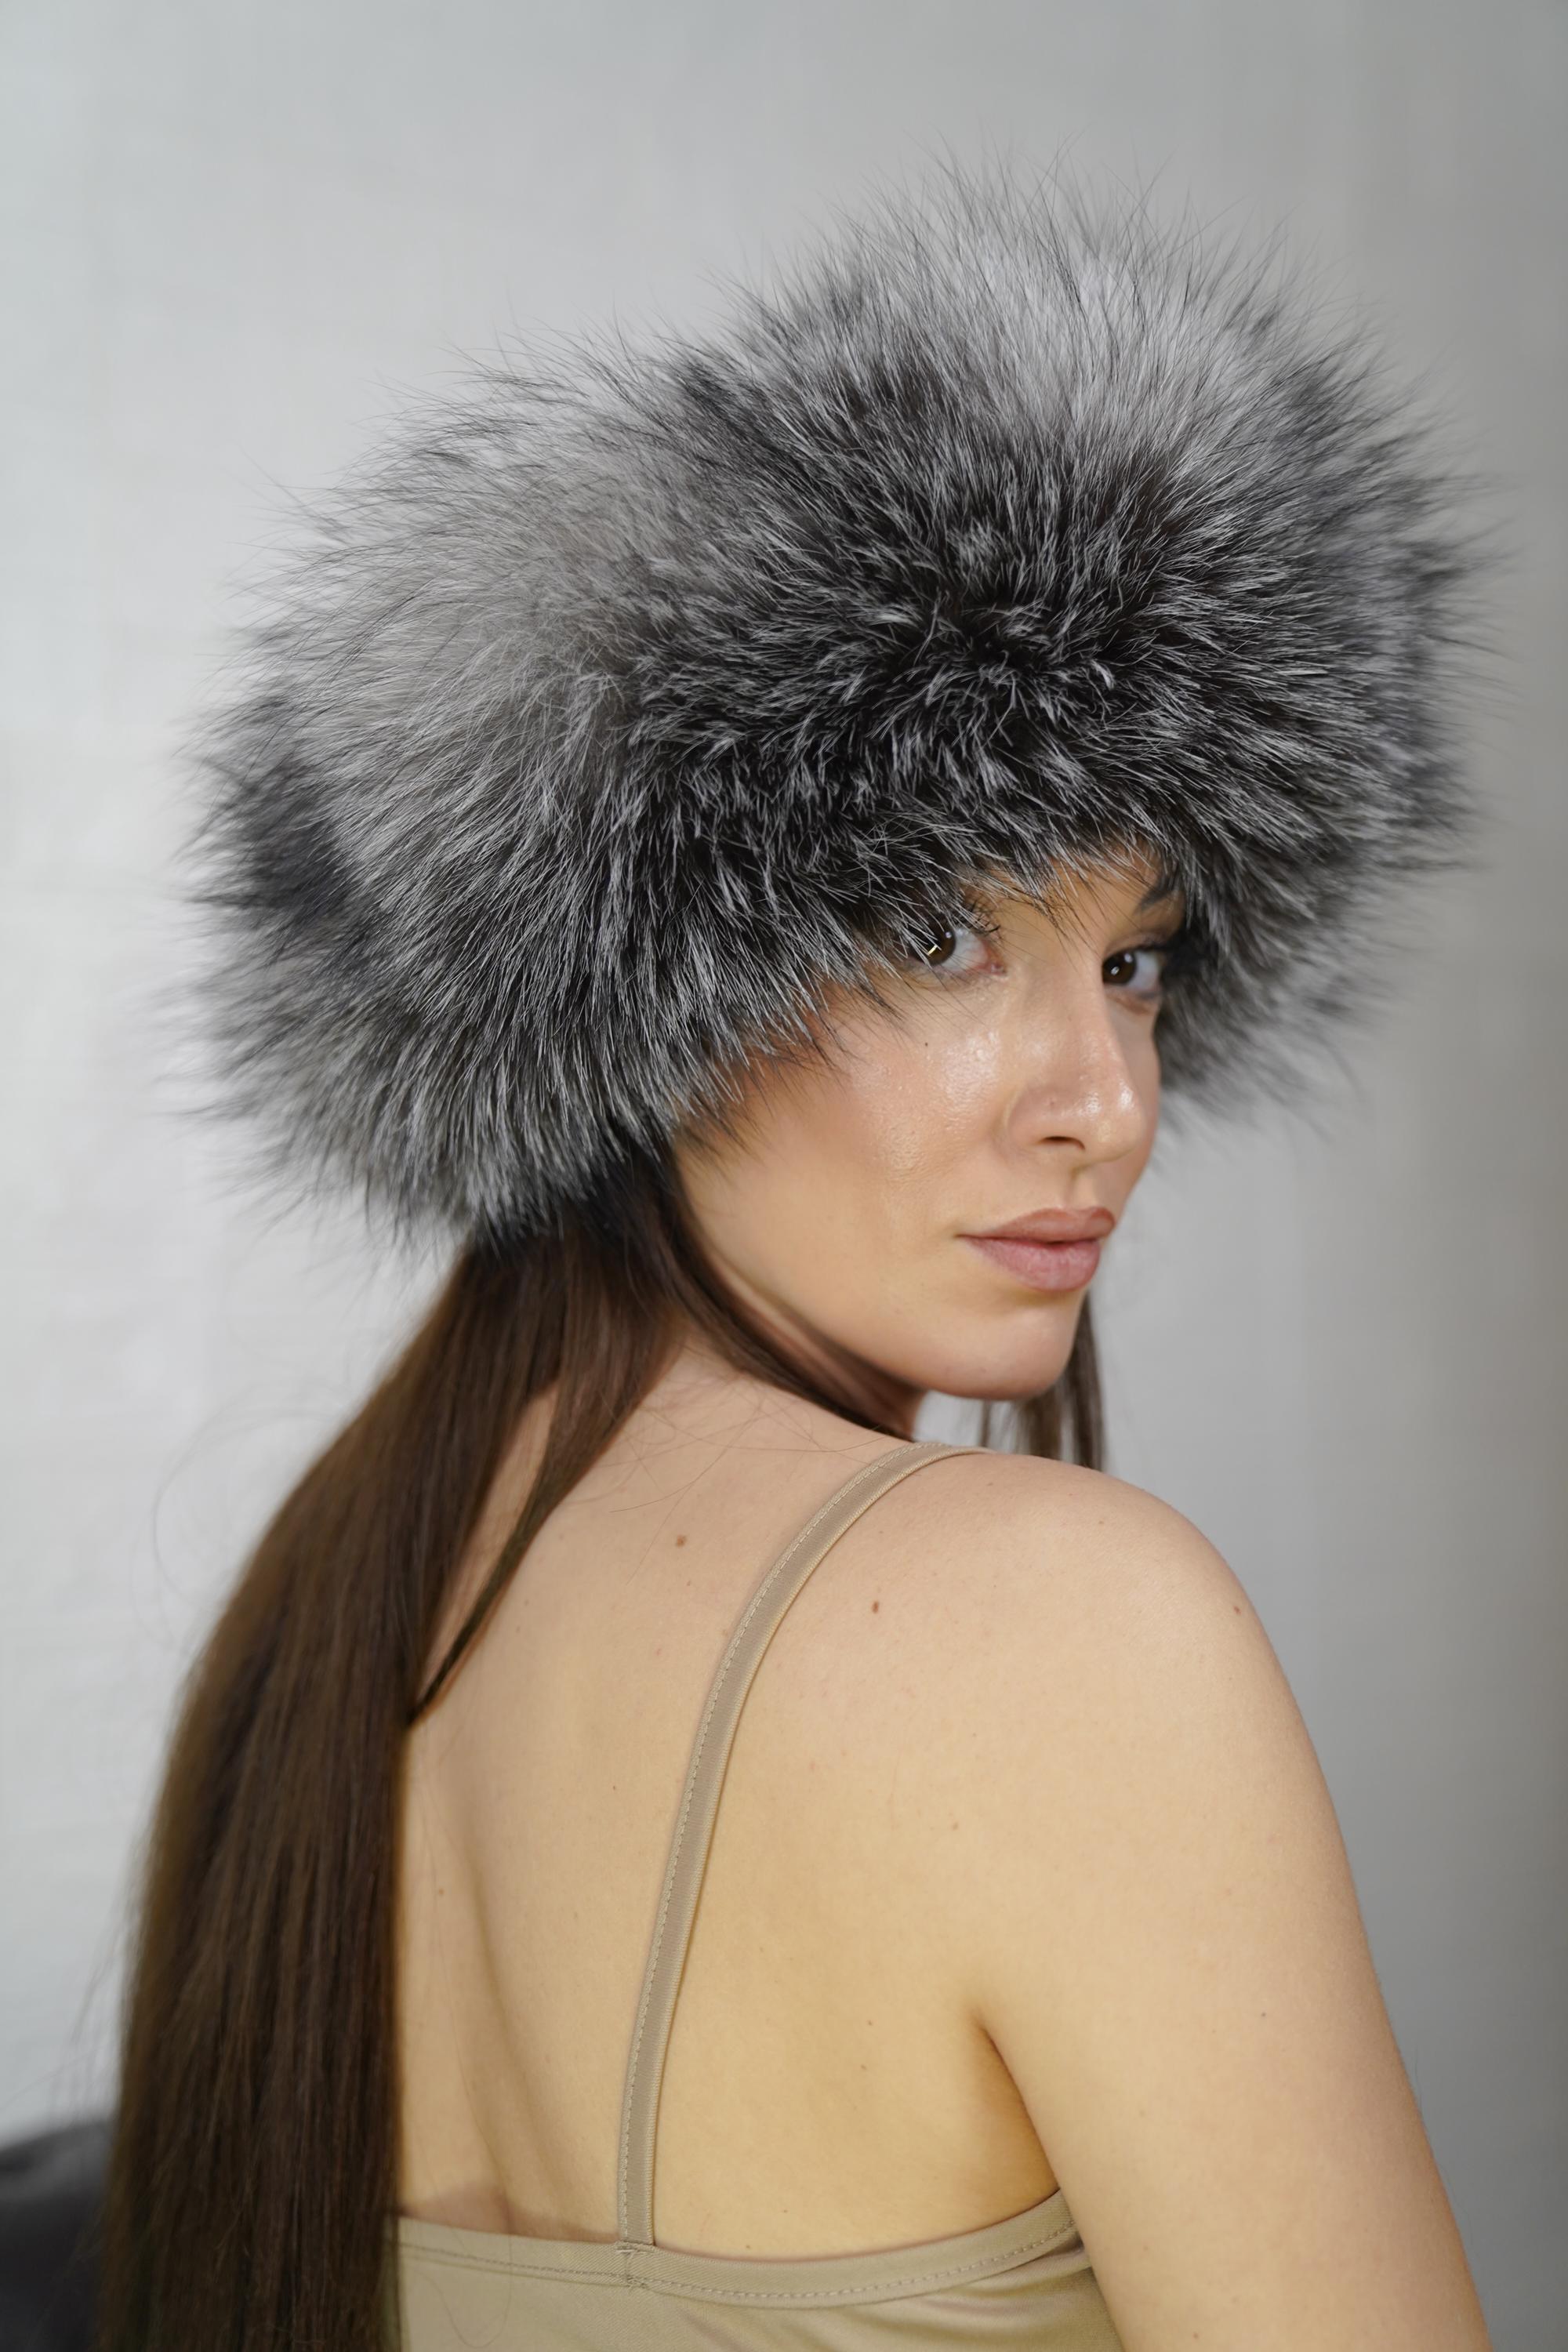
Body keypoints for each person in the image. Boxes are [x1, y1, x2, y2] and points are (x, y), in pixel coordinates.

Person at [98, 164, 1497, 2349]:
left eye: (1136, 960)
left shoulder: (336, 1618)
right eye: (943, 935)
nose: (1105, 1099)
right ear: (643, 994)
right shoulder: (1055, 1629)